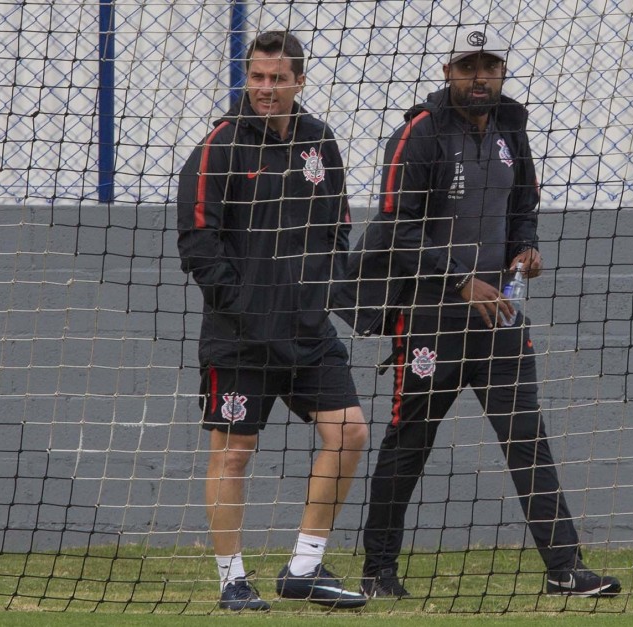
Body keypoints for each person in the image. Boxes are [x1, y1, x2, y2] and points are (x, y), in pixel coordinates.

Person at [337, 25, 623, 599]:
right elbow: (394, 228)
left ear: (501, 71)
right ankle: (377, 572)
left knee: (527, 437)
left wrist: (525, 248)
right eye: (467, 67)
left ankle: (564, 567)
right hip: (429, 318)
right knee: (409, 441)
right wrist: (461, 281)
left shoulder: (512, 126)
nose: (479, 77)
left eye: (488, 66)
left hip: (499, 319)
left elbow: (524, 207)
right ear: (447, 72)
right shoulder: (418, 132)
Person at [176, 30, 368, 611]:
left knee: (350, 433)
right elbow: (198, 242)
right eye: (257, 78)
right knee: (233, 452)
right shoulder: (219, 145)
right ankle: (232, 578)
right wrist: (245, 305)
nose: (266, 88)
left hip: (308, 332)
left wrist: (322, 291)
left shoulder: (319, 141)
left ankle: (303, 568)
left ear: (298, 81)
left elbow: (338, 225)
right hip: (239, 339)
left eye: (277, 79)